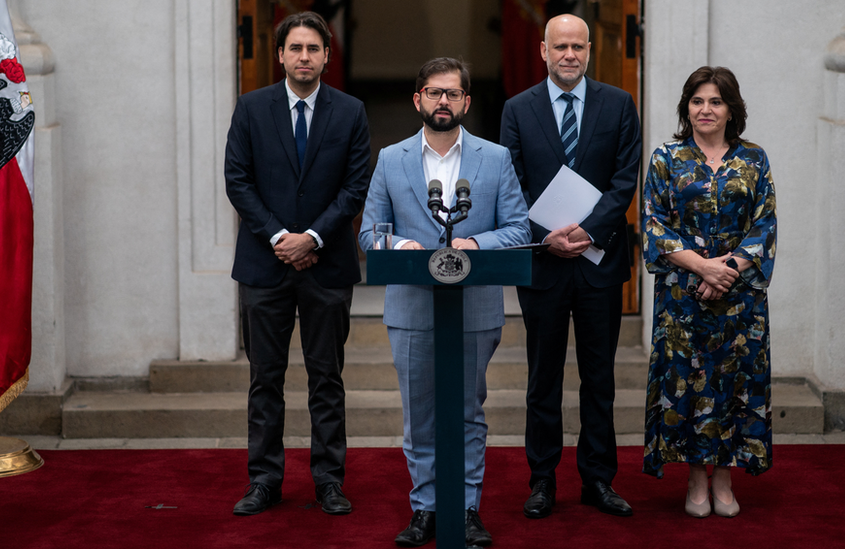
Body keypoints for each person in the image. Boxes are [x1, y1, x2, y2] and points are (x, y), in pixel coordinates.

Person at [359, 57, 531, 547]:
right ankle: (426, 507)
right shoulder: (391, 159)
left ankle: (469, 507)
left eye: (452, 94)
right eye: (434, 93)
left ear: (466, 102)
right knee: (420, 414)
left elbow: (519, 227)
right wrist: (399, 246)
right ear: (418, 100)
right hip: (411, 306)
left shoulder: (495, 159)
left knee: (469, 411)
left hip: (474, 306)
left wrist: (477, 245)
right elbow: (370, 232)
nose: (443, 101)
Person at [224, 11, 371, 517]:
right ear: (281, 54)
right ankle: (264, 480)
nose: (304, 57)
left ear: (327, 56)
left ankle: (329, 481)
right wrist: (279, 238)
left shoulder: (350, 112)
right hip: (264, 268)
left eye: (314, 49)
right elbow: (237, 180)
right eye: (296, 48)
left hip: (327, 268)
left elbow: (355, 187)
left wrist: (310, 238)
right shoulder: (251, 107)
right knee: (266, 378)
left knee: (326, 378)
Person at [500, 14, 641, 518]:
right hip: (544, 264)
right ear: (543, 50)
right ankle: (542, 481)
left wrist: (588, 231)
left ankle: (598, 480)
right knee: (543, 379)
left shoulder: (619, 104)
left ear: (588, 51)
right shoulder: (517, 109)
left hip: (599, 262)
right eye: (560, 46)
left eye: (577, 46)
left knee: (599, 377)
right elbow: (510, 183)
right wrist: (546, 237)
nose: (569, 55)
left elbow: (626, 178)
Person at [641, 66, 777, 518]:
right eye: (697, 101)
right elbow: (653, 225)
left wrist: (728, 270)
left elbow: (765, 224)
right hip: (683, 295)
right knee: (688, 384)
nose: (705, 109)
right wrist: (702, 267)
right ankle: (696, 477)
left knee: (734, 385)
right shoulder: (666, 157)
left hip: (739, 298)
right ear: (687, 108)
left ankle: (725, 476)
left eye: (715, 101)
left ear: (731, 109)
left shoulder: (754, 159)